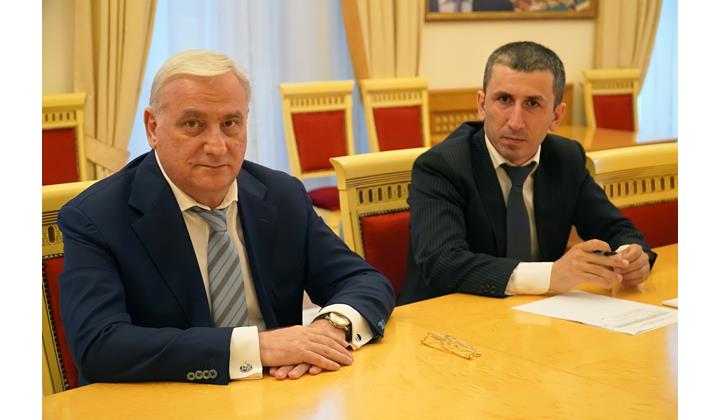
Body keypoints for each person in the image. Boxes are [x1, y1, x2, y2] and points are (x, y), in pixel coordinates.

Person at [58, 50, 395, 385]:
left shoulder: (281, 195)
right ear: (153, 127)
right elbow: (99, 345)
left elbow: (364, 281)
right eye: (193, 124)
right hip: (167, 400)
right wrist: (257, 348)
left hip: (280, 392)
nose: (217, 146)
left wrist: (330, 327)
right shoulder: (96, 218)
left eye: (230, 124)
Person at [398, 41, 656, 305]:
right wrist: (551, 275)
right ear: (482, 104)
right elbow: (443, 263)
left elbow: (615, 227)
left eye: (532, 103)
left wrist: (631, 257)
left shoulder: (566, 158)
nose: (515, 122)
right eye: (504, 100)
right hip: (448, 316)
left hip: (539, 314)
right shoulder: (442, 166)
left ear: (556, 116)